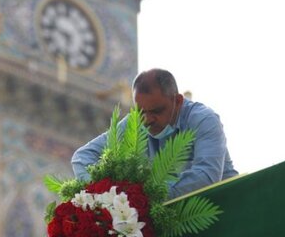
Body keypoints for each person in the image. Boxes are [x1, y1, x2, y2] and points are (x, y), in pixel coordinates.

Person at [72, 68, 238, 198]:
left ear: (178, 101)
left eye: (157, 111)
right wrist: (106, 196)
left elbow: (206, 176)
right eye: (140, 112)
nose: (147, 120)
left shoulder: (203, 120)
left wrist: (143, 197)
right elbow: (83, 157)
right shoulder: (136, 121)